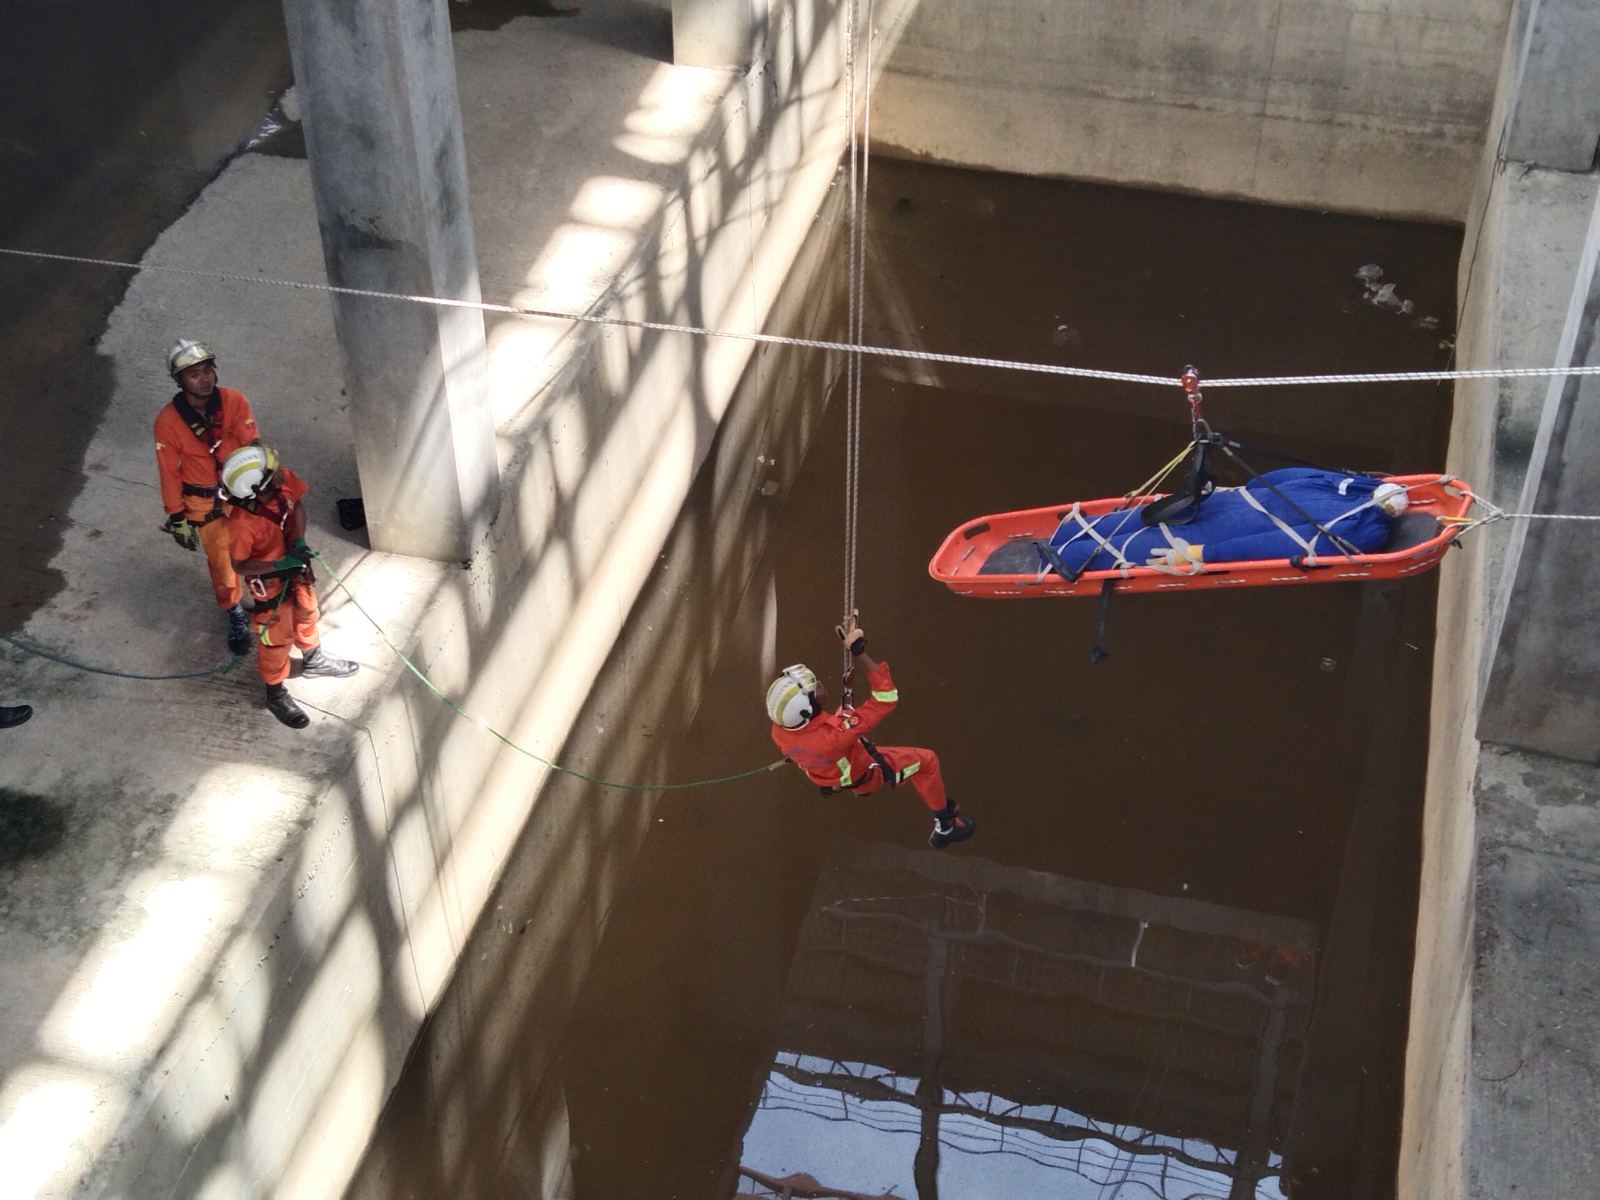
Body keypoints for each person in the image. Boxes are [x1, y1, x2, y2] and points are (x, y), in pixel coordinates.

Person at [767, 612, 975, 849]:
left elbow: (827, 734)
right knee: (927, 761)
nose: (821, 684)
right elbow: (886, 697)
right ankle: (946, 825)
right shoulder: (838, 736)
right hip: (865, 773)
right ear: (807, 709)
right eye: (817, 688)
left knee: (840, 742)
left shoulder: (781, 730)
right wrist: (860, 653)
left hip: (833, 769)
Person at [223, 444, 358, 728]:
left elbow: (297, 505)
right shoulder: (241, 524)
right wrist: (279, 564)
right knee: (276, 637)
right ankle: (275, 693)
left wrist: (298, 540)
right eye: (273, 472)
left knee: (307, 611)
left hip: (295, 564)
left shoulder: (280, 481)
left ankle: (314, 659)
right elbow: (240, 565)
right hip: (270, 581)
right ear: (258, 488)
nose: (281, 473)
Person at [1048, 469, 1412, 574]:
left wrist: (1242, 496)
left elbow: (1272, 478)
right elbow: (1274, 546)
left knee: (1134, 522)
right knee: (1124, 550)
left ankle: (1069, 531)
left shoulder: (1340, 484)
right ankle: (1055, 561)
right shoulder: (1360, 529)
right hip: (1221, 532)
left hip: (1223, 504)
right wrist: (1203, 554)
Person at [153, 339, 262, 656]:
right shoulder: (168, 422)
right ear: (180, 380)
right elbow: (169, 472)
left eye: (207, 370)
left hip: (241, 493)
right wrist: (177, 516)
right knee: (221, 562)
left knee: (257, 548)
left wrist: (262, 486)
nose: (204, 379)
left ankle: (264, 599)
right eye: (194, 374)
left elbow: (251, 445)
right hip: (204, 503)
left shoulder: (233, 401)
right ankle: (234, 610)